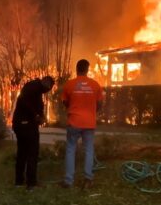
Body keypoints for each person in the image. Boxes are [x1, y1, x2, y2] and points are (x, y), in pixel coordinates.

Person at [61, 59, 103, 189]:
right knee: (89, 150)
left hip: (74, 121)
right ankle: (88, 179)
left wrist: (73, 107)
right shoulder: (95, 85)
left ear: (76, 69)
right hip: (89, 123)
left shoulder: (69, 84)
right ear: (87, 69)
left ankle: (68, 181)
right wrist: (91, 111)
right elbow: (100, 104)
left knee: (70, 149)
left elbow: (65, 102)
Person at [12, 76, 55, 191]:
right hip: (27, 124)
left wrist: (41, 115)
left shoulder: (34, 87)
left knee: (22, 152)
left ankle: (19, 181)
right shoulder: (34, 88)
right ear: (47, 84)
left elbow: (35, 104)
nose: (48, 91)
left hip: (19, 123)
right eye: (49, 88)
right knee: (32, 152)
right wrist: (36, 115)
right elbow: (25, 102)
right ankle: (31, 184)